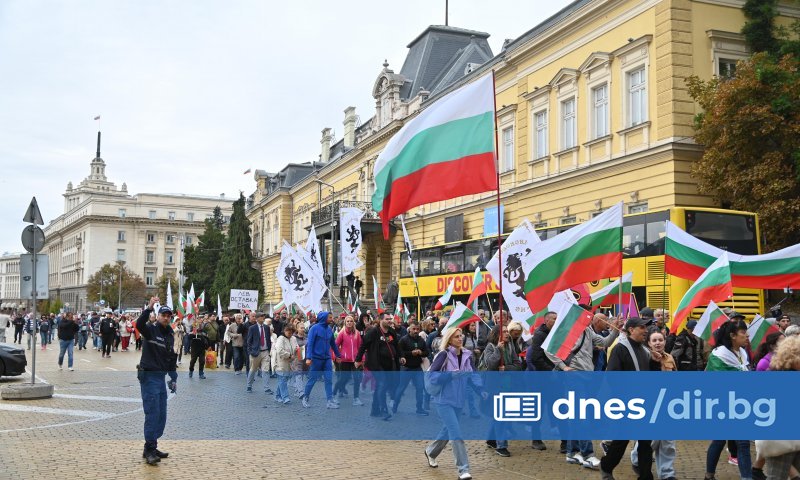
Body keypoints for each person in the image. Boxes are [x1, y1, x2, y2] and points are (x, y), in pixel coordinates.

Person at [600, 317, 661, 480]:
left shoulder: (645, 350)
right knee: (621, 441)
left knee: (645, 443)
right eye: (642, 327)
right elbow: (612, 377)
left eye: (646, 327)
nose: (646, 331)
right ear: (631, 329)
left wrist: (655, 363)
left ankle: (646, 476)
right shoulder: (620, 349)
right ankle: (606, 466)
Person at [424, 327, 485, 480]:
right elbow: (432, 376)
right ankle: (463, 470)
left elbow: (473, 375)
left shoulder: (467, 355)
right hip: (443, 400)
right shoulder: (443, 355)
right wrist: (450, 375)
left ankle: (430, 452)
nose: (460, 338)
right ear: (450, 339)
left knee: (447, 430)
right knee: (456, 433)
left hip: (459, 400)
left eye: (461, 336)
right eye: (456, 336)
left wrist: (480, 390)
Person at [563, 312, 620, 470]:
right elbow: (549, 350)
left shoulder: (588, 331)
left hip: (586, 377)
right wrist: (563, 367)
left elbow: (605, 342)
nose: (589, 318)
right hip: (574, 378)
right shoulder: (567, 331)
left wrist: (616, 330)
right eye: (587, 315)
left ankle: (572, 452)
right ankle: (587, 455)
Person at [705, 319, 754, 480]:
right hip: (721, 405)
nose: (747, 336)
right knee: (719, 441)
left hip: (741, 405)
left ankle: (747, 477)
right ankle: (709, 475)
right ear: (733, 335)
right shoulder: (718, 355)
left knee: (743, 443)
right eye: (743, 333)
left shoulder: (743, 353)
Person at [630, 329, 678, 480]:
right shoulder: (644, 357)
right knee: (651, 440)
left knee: (668, 441)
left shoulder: (669, 358)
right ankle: (636, 459)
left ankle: (667, 473)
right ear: (649, 343)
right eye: (654, 340)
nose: (658, 343)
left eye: (660, 340)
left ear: (665, 341)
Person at [136, 298, 177, 466]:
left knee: (161, 415)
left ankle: (151, 446)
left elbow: (171, 358)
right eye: (163, 315)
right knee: (152, 413)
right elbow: (139, 324)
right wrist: (149, 308)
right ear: (158, 316)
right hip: (149, 377)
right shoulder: (150, 330)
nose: (166, 318)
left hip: (160, 378)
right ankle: (150, 450)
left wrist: (173, 378)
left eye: (168, 316)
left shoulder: (170, 334)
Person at [356, 312, 401, 419]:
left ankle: (374, 410)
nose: (389, 321)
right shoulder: (373, 332)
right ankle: (383, 410)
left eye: (390, 319)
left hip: (389, 365)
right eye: (387, 319)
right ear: (380, 320)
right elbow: (363, 345)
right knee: (382, 384)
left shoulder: (392, 332)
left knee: (381, 386)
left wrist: (401, 356)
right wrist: (358, 360)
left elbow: (396, 345)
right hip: (376, 364)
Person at [301, 312, 341, 409]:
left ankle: (329, 401)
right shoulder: (314, 328)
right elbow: (310, 344)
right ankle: (305, 398)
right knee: (312, 379)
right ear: (324, 318)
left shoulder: (329, 329)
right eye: (330, 317)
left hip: (327, 359)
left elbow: (333, 344)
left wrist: (338, 355)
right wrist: (309, 357)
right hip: (316, 359)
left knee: (329, 379)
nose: (332, 319)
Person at [394, 321, 430, 416]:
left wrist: (421, 353)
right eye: (414, 329)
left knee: (420, 388)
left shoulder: (421, 340)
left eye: (417, 329)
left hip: (417, 368)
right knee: (401, 388)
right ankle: (395, 406)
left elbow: (427, 352)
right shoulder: (403, 340)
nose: (416, 331)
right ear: (409, 329)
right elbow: (399, 352)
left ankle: (419, 408)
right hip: (406, 368)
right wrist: (411, 353)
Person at [334, 315, 364, 406]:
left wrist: (362, 358)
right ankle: (333, 395)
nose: (349, 323)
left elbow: (360, 347)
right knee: (343, 378)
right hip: (345, 360)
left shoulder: (357, 333)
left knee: (357, 379)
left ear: (353, 322)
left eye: (351, 321)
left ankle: (356, 398)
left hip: (355, 360)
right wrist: (337, 356)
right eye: (347, 321)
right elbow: (335, 345)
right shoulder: (342, 333)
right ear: (345, 323)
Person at [246, 312, 272, 394]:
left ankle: (266, 388)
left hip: (265, 352)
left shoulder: (267, 327)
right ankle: (249, 385)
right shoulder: (252, 328)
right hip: (255, 352)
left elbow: (268, 339)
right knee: (253, 369)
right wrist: (250, 352)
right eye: (261, 316)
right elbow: (249, 341)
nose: (263, 317)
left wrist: (269, 350)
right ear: (257, 318)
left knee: (266, 370)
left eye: (263, 316)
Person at [273, 324, 297, 404]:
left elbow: (296, 347)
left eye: (291, 332)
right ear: (284, 331)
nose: (290, 334)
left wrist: (298, 351)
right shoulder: (281, 339)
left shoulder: (293, 338)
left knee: (283, 380)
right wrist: (289, 355)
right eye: (288, 332)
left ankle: (277, 396)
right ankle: (285, 397)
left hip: (290, 363)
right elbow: (279, 350)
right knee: (282, 379)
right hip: (281, 363)